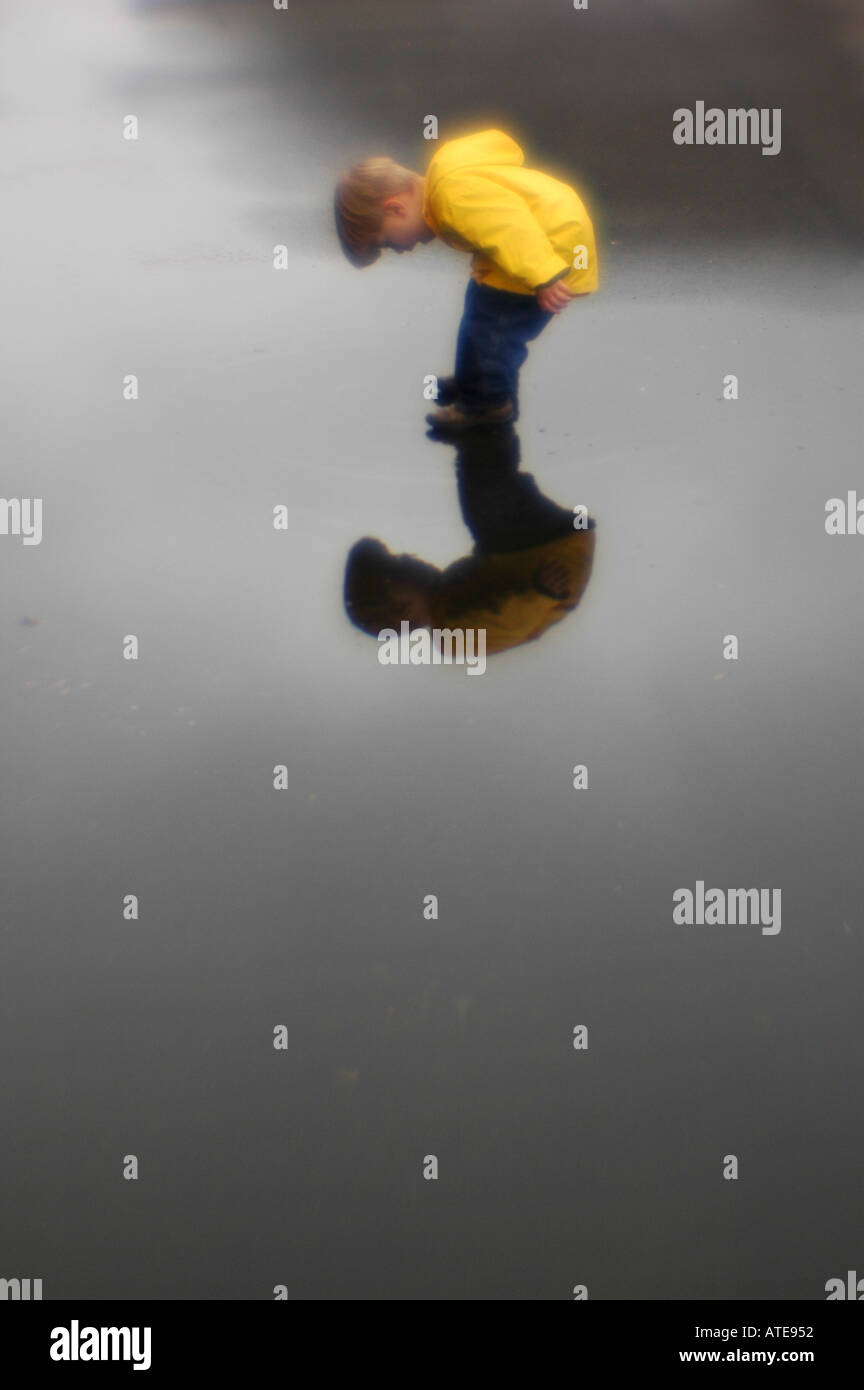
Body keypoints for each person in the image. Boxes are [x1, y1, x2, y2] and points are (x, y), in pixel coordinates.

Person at [334, 129, 599, 431]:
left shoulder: (451, 199)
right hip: (547, 229)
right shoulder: (443, 179)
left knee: (493, 331)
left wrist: (545, 275)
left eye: (387, 243)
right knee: (480, 310)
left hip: (550, 240)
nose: (399, 250)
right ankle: (474, 380)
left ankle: (487, 405)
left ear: (395, 207)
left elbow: (510, 226)